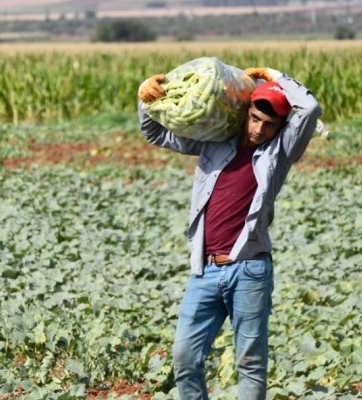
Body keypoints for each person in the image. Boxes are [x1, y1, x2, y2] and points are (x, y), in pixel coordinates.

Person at [137, 67, 323, 399]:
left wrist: (274, 76)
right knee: (184, 357)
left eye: (269, 124)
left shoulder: (279, 153)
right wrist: (146, 95)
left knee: (250, 363)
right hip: (204, 270)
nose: (259, 129)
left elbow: (309, 109)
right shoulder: (215, 142)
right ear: (245, 114)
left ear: (280, 127)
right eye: (254, 118)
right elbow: (155, 132)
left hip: (250, 269)